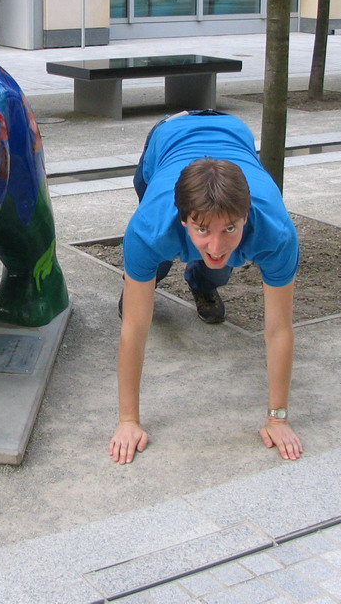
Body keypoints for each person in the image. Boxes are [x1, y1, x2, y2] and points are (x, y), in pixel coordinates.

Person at [108, 110, 303, 464]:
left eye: (230, 228)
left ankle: (200, 281)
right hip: (167, 136)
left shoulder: (277, 233)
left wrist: (278, 417)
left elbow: (279, 330)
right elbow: (134, 330)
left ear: (246, 216)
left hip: (233, 131)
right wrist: (128, 421)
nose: (216, 244)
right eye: (202, 230)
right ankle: (145, 276)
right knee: (154, 261)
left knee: (216, 267)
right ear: (183, 219)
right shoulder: (148, 228)